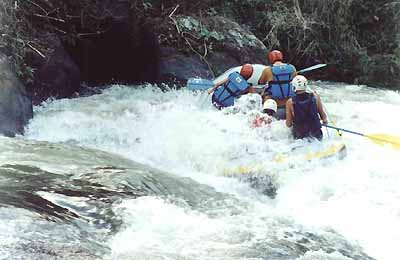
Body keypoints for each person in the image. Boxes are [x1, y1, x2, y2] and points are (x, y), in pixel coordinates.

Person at [285, 75, 328, 140]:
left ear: (294, 87)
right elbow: (324, 118)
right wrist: (324, 121)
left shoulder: (290, 102)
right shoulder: (316, 97)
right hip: (316, 135)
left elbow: (288, 124)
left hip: (300, 136)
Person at [258, 50, 297, 119]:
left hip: (275, 103)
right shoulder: (292, 68)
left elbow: (261, 82)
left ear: (270, 59)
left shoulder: (268, 70)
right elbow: (297, 81)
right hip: (290, 101)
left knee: (263, 94)